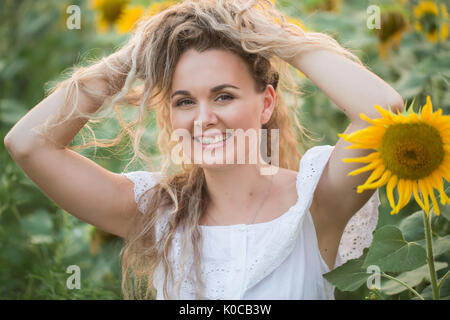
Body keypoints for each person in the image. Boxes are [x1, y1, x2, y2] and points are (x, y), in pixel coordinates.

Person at [4, 0, 404, 300]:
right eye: (184, 101)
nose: (204, 118)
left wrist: (279, 37)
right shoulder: (156, 212)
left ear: (266, 103)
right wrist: (134, 54)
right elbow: (28, 144)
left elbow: (382, 111)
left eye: (224, 96)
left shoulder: (317, 202)